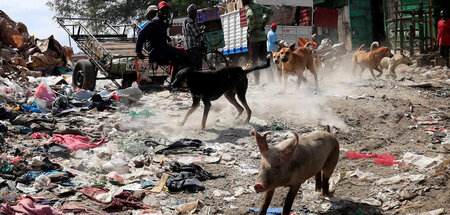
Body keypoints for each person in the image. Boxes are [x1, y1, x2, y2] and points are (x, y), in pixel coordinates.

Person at [136, 1, 190, 82]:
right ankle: (175, 81)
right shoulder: (154, 22)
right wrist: (138, 52)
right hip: (156, 49)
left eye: (166, 9)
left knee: (181, 55)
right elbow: (141, 35)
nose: (165, 11)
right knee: (182, 55)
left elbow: (159, 34)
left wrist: (167, 37)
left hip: (162, 47)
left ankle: (174, 80)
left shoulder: (162, 22)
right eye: (163, 9)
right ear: (159, 10)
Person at [243, 0, 273, 85]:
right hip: (262, 37)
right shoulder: (259, 5)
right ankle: (271, 80)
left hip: (253, 39)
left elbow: (251, 16)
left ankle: (257, 82)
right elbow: (271, 11)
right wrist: (263, 23)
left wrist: (251, 27)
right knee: (264, 59)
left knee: (254, 61)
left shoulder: (248, 7)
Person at [182, 4, 204, 70]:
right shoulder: (191, 22)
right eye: (194, 12)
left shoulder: (185, 22)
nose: (196, 13)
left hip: (187, 48)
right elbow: (197, 34)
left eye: (196, 11)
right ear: (190, 12)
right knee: (198, 67)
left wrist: (201, 28)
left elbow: (191, 31)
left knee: (192, 67)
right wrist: (205, 31)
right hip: (194, 48)